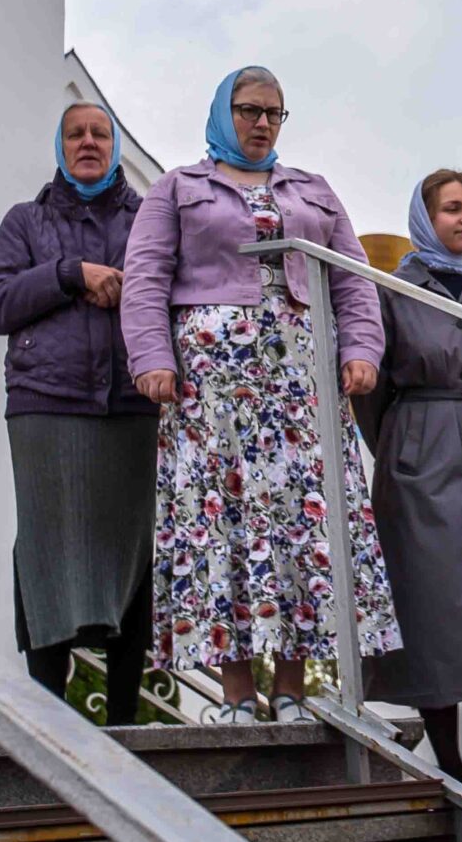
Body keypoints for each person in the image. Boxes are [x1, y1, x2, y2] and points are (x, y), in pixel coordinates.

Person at [120, 66, 400, 725]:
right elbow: (145, 276)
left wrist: (362, 349)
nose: (262, 123)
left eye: (274, 112)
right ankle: (238, 694)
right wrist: (152, 358)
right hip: (212, 390)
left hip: (300, 385)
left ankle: (293, 691)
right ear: (224, 112)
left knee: (301, 521)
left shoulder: (313, 189)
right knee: (223, 522)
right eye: (249, 110)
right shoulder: (178, 187)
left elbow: (353, 280)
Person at [0, 102, 155, 724]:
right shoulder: (26, 221)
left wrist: (131, 289)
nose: (88, 143)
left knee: (131, 552)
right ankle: (50, 717)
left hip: (132, 404)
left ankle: (124, 722)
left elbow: (176, 292)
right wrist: (69, 274)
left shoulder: (149, 219)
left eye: (100, 134)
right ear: (60, 146)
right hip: (45, 408)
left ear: (114, 146)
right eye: (75, 134)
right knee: (47, 551)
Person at [353, 170, 462, 796]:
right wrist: (404, 448)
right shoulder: (392, 290)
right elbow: (370, 395)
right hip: (419, 464)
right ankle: (449, 767)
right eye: (452, 209)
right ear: (425, 218)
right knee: (432, 615)